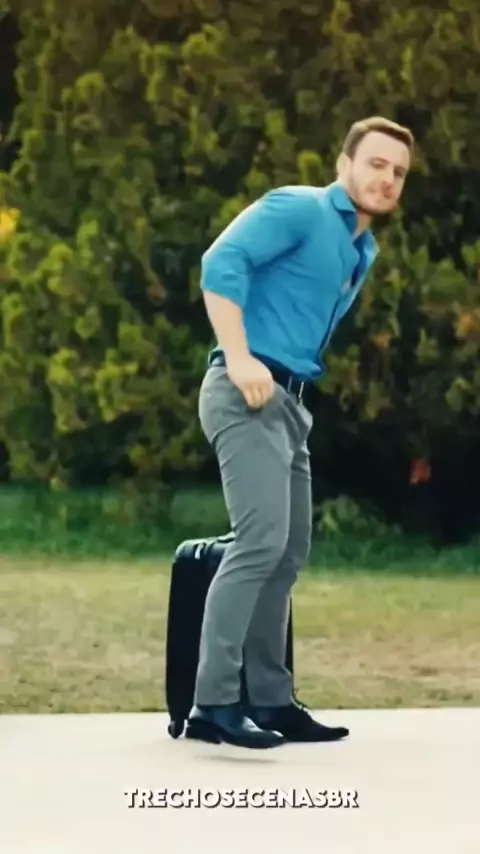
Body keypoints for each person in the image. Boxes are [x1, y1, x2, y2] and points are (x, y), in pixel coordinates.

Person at [185, 116, 414, 749]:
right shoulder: (300, 208)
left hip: (289, 406)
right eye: (376, 163)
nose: (387, 179)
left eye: (398, 172)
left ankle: (271, 699)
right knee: (259, 542)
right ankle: (213, 702)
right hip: (245, 391)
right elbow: (221, 261)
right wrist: (238, 356)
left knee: (286, 555)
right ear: (345, 163)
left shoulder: (361, 250)